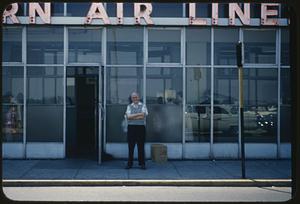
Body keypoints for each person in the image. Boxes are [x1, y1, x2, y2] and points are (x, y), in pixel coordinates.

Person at [125, 92, 148, 170]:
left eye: (136, 97)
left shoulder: (143, 105)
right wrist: (138, 114)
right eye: (133, 97)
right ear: (131, 99)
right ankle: (129, 163)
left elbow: (143, 116)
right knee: (130, 147)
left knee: (141, 146)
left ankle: (142, 164)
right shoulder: (129, 106)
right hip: (131, 128)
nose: (134, 99)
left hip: (141, 128)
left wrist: (132, 117)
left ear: (139, 98)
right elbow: (128, 117)